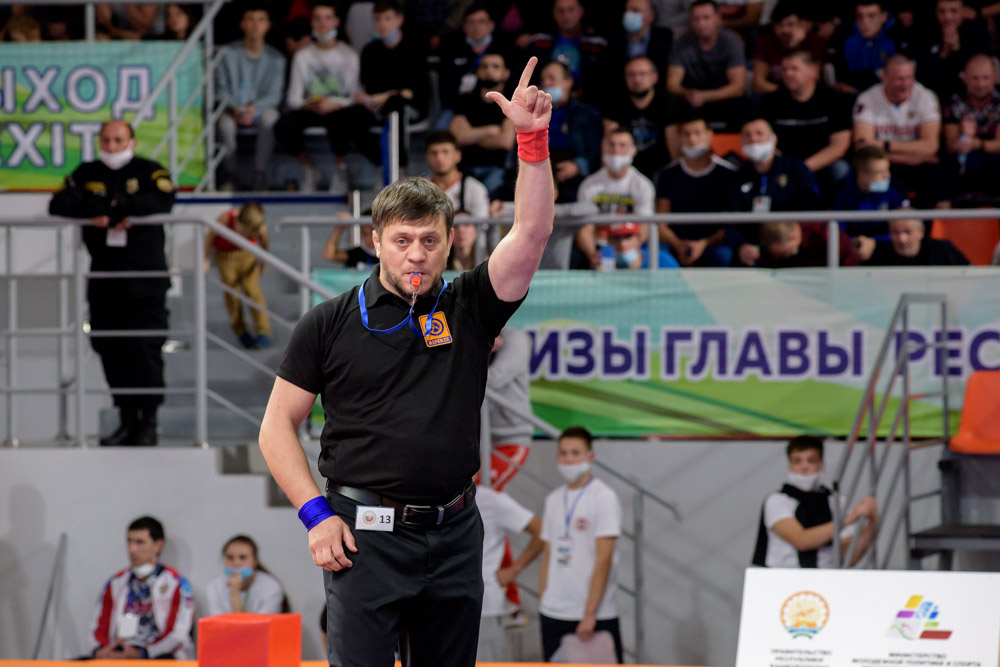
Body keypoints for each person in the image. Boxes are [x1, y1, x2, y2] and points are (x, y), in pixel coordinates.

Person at [257, 56, 554, 667]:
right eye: (402, 240)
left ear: (450, 242)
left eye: (429, 240)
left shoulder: (472, 305)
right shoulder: (327, 322)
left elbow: (530, 233)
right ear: (376, 242)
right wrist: (316, 515)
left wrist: (531, 142)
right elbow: (276, 426)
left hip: (455, 534)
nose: (416, 254)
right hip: (361, 537)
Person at [49, 120, 173, 447]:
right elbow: (58, 203)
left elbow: (163, 199)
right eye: (106, 140)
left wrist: (123, 209)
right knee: (109, 347)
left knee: (145, 348)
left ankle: (148, 422)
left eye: (118, 140)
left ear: (132, 141)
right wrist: (99, 211)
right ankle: (126, 420)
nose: (112, 146)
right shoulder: (87, 172)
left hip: (145, 279)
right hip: (105, 278)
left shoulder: (149, 170)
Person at [539, 427, 623, 663]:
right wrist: (545, 598)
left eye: (575, 453)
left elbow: (604, 559)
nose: (569, 459)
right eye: (563, 453)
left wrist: (589, 613)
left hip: (593, 615)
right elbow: (548, 554)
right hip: (554, 611)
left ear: (590, 456)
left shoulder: (603, 497)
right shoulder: (553, 499)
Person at [752, 436, 877, 568]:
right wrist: (848, 519)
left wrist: (872, 520)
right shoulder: (777, 500)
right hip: (783, 576)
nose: (804, 467)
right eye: (797, 461)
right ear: (790, 465)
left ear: (821, 465)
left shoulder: (836, 501)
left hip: (826, 576)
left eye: (811, 460)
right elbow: (801, 540)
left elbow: (849, 557)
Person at [273, 2, 359, 193]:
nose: (323, 23)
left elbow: (353, 96)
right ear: (312, 23)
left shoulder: (348, 55)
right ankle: (309, 168)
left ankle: (341, 168)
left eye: (327, 18)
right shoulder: (303, 56)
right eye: (318, 18)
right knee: (283, 125)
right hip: (310, 108)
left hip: (338, 108)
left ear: (336, 22)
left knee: (342, 120)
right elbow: (293, 98)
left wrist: (333, 104)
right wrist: (309, 104)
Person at [87, 516, 195, 659]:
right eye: (129, 541)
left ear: (158, 545)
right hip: (118, 654)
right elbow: (98, 626)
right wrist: (100, 651)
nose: (132, 549)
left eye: (139, 542)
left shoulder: (177, 583)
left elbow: (177, 634)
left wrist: (143, 653)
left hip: (160, 657)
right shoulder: (115, 583)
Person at [344, 0, 429, 174]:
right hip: (376, 104)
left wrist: (388, 95)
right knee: (351, 116)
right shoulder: (370, 50)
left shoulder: (415, 47)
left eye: (387, 19)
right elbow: (366, 85)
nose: (382, 24)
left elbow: (415, 91)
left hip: (409, 105)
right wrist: (364, 98)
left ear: (399, 20)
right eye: (378, 19)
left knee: (396, 106)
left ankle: (400, 167)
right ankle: (382, 164)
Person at [575, 128, 677, 269]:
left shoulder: (642, 185)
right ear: (603, 148)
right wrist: (593, 255)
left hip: (632, 245)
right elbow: (585, 228)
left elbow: (644, 226)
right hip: (601, 247)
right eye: (612, 145)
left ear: (633, 150)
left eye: (622, 145)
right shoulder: (588, 185)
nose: (616, 150)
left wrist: (628, 250)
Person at [759, 49, 852, 199]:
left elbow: (839, 145)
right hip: (783, 165)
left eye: (794, 69)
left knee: (841, 169)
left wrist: (802, 168)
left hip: (821, 164)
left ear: (813, 70)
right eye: (785, 69)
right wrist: (786, 166)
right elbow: (762, 138)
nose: (788, 74)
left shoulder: (833, 99)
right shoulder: (771, 101)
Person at [853, 54, 942, 208]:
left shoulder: (925, 97)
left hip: (916, 167)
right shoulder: (867, 99)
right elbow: (863, 149)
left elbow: (930, 147)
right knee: (867, 171)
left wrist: (884, 145)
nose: (905, 84)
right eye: (899, 79)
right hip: (885, 167)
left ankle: (924, 222)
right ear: (884, 77)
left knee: (935, 172)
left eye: (909, 78)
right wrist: (912, 157)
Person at [216, 6, 286, 191]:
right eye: (251, 19)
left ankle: (260, 174)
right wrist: (234, 108)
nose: (255, 25)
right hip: (232, 109)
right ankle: (230, 175)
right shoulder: (227, 53)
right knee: (224, 124)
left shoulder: (277, 58)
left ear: (268, 25)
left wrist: (255, 109)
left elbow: (274, 95)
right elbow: (221, 89)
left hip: (261, 110)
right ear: (242, 24)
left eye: (261, 20)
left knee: (270, 118)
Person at [655, 115, 740, 266]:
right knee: (659, 256)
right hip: (675, 243)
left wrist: (704, 244)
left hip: (713, 243)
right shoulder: (667, 174)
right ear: (679, 137)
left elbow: (730, 224)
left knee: (723, 256)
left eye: (697, 133)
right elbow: (661, 223)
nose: (692, 139)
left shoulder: (728, 174)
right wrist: (678, 244)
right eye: (686, 134)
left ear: (709, 135)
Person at [476, 483, 544, 662]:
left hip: (484, 607)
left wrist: (514, 570)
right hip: (441, 605)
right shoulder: (436, 500)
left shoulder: (491, 500)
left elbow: (541, 531)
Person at [665, 0, 747, 146]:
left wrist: (705, 97)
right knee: (670, 103)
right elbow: (672, 83)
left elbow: (737, 87)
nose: (701, 24)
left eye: (706, 18)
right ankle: (680, 154)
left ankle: (735, 151)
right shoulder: (682, 42)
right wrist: (687, 93)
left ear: (718, 18)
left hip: (723, 97)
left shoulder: (731, 42)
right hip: (693, 97)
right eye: (696, 19)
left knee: (741, 105)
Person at [204, 202, 272, 349]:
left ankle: (263, 330)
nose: (244, 235)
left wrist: (264, 263)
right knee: (232, 293)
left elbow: (264, 243)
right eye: (243, 232)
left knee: (253, 292)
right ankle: (240, 329)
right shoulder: (226, 218)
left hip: (248, 256)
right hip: (225, 257)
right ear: (238, 221)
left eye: (249, 235)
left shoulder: (259, 227)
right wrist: (206, 259)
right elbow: (210, 235)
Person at [449, 50, 516, 195]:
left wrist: (472, 137)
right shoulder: (465, 100)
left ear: (506, 73)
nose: (489, 70)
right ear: (478, 72)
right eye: (484, 67)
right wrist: (492, 130)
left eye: (495, 66)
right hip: (464, 168)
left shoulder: (511, 102)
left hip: (497, 169)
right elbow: (458, 138)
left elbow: (505, 141)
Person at [539, 60, 603, 202]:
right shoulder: (534, 112)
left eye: (551, 78)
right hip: (540, 169)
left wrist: (578, 166)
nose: (546, 83)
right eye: (543, 79)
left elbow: (595, 151)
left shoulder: (586, 114)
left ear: (568, 82)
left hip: (570, 174)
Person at [525, 0, 610, 105]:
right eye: (560, 11)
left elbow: (604, 83)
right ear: (553, 13)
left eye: (571, 10)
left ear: (581, 11)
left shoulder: (597, 45)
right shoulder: (539, 42)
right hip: (543, 102)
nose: (566, 16)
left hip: (588, 104)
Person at [942, 54, 1000, 201]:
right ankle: (948, 206)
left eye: (986, 78)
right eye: (975, 78)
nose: (980, 84)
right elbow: (951, 144)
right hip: (963, 156)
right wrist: (965, 138)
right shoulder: (954, 100)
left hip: (991, 157)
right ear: (964, 78)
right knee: (947, 163)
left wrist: (975, 143)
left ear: (995, 78)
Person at [605, 56, 673, 179]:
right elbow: (609, 141)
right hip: (625, 169)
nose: (637, 79)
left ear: (654, 77)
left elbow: (674, 147)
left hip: (661, 169)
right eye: (631, 74)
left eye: (642, 74)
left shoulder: (668, 103)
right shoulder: (615, 103)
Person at [910, 0, 991, 100]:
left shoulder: (977, 31)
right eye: (942, 11)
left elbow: (982, 71)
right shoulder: (925, 33)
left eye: (953, 11)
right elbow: (922, 76)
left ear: (963, 11)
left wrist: (957, 49)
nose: (948, 17)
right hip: (935, 95)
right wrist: (944, 52)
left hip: (970, 97)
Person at [833, 145, 910, 242]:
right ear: (861, 175)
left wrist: (874, 243)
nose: (887, 176)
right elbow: (837, 230)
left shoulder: (896, 188)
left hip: (886, 246)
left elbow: (903, 227)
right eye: (879, 172)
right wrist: (854, 242)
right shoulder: (840, 191)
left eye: (887, 169)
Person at [751, 2, 826, 94]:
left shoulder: (814, 42)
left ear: (801, 24)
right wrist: (785, 95)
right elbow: (758, 83)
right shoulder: (765, 41)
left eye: (790, 24)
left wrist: (796, 45)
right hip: (775, 94)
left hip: (807, 96)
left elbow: (815, 79)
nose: (785, 30)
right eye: (779, 25)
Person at [205, 535, 288, 616]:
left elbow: (260, 624)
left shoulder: (271, 587)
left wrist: (235, 594)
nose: (236, 563)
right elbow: (217, 622)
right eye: (230, 558)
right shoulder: (214, 587)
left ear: (255, 561)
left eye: (242, 557)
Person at [830, 1, 898, 96]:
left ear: (884, 17)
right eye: (860, 17)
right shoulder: (847, 42)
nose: (864, 22)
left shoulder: (895, 40)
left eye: (871, 16)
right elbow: (842, 81)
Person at [607, 0, 674, 90]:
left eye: (635, 11)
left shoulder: (664, 37)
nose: (628, 14)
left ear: (650, 16)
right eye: (626, 10)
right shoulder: (615, 38)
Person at [855, 218, 971, 265]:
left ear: (921, 231)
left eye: (907, 232)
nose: (902, 239)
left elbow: (969, 275)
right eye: (895, 232)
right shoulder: (878, 254)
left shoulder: (943, 250)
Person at [756, 221, 859, 268]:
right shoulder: (771, 250)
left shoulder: (823, 235)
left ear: (793, 238)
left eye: (783, 253)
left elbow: (850, 258)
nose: (779, 257)